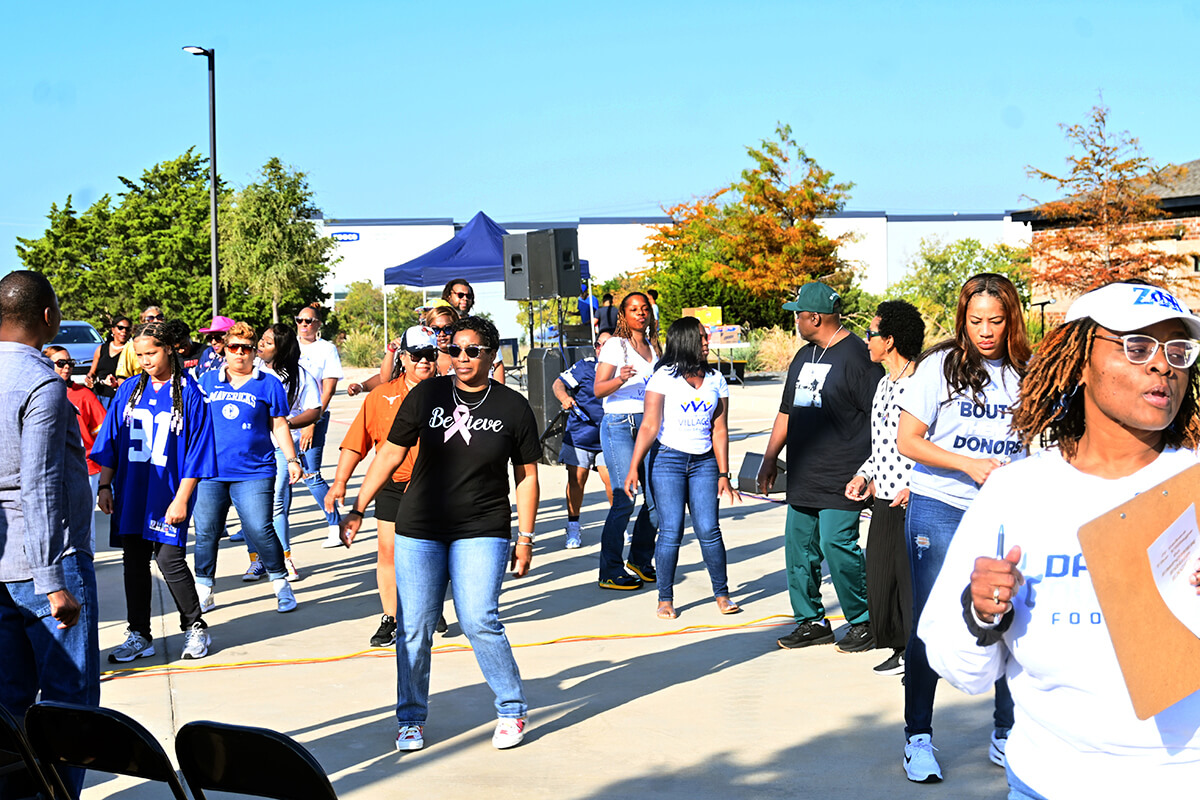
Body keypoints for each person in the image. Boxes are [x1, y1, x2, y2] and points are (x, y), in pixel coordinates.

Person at [920, 281, 1200, 797]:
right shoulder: (1017, 491)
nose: (1163, 365)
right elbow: (962, 669)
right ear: (1078, 362)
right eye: (1137, 346)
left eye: (1178, 350)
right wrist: (980, 613)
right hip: (1046, 782)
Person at [341, 315, 540, 752]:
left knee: (477, 619)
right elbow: (390, 453)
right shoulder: (428, 395)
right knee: (415, 625)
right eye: (454, 351)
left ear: (492, 355)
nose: (461, 359)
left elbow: (526, 477)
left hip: (482, 526)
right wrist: (357, 505)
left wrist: (525, 537)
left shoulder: (512, 406)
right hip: (421, 527)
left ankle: (511, 709)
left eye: (473, 351)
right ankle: (410, 718)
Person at [895, 272, 1030, 781]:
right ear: (963, 319)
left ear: (1011, 319)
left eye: (995, 321)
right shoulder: (941, 366)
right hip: (940, 505)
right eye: (975, 321)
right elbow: (909, 439)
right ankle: (918, 738)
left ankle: (1005, 734)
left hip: (1003, 510)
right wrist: (965, 465)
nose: (985, 331)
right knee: (930, 624)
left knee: (1007, 618)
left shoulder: (1028, 371)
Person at [0, 271, 98, 800]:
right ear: (46, 317)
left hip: (3, 565)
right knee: (68, 701)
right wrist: (53, 580)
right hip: (45, 567)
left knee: (10, 700)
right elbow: (39, 484)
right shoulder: (42, 383)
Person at [757, 282, 881, 653]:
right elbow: (786, 412)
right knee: (799, 548)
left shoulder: (858, 358)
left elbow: (881, 419)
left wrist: (872, 473)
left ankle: (864, 621)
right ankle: (811, 620)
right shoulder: (803, 356)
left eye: (798, 313)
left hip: (845, 476)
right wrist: (768, 459)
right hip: (804, 474)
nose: (794, 319)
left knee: (836, 544)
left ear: (814, 317)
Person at [92, 320, 218, 663]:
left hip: (168, 493)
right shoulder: (129, 389)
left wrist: (182, 498)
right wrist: (105, 484)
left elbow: (198, 451)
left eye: (152, 353)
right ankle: (139, 634)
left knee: (169, 558)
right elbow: (112, 442)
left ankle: (194, 626)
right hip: (132, 488)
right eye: (140, 354)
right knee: (133, 560)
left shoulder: (190, 394)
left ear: (170, 350)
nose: (146, 360)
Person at [326, 325, 439, 647]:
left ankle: (429, 605)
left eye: (429, 355)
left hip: (436, 488)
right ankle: (390, 616)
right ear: (403, 357)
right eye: (416, 355)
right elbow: (355, 444)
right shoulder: (380, 396)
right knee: (388, 553)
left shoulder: (451, 394)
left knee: (431, 554)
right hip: (393, 485)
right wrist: (339, 483)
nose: (423, 362)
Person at [625, 317, 740, 619]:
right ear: (686, 340)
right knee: (671, 530)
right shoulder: (663, 376)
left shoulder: (716, 379)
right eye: (702, 337)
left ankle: (722, 593)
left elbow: (720, 429)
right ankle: (665, 598)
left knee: (708, 529)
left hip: (705, 463)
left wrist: (724, 474)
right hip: (668, 461)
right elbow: (650, 424)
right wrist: (634, 466)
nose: (707, 341)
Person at [193, 322, 304, 614]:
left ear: (254, 351)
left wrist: (292, 459)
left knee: (260, 528)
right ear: (224, 350)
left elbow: (279, 424)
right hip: (210, 471)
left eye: (246, 348)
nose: (240, 354)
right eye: (233, 348)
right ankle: (204, 589)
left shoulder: (268, 383)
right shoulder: (206, 381)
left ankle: (281, 584)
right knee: (206, 531)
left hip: (255, 470)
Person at [843, 301, 926, 678]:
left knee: (909, 582)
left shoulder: (920, 383)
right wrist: (864, 474)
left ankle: (917, 653)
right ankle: (898, 646)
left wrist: (916, 483)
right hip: (883, 496)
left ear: (890, 340)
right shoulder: (883, 383)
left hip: (913, 498)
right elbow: (881, 445)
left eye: (872, 334)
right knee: (880, 578)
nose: (867, 341)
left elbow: (933, 439)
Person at [594, 291, 660, 590]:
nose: (640, 313)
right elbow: (597, 389)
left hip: (649, 424)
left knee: (658, 500)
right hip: (620, 423)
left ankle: (639, 559)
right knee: (624, 499)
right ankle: (610, 569)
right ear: (623, 315)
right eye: (633, 309)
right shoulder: (614, 346)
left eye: (644, 308)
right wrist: (619, 378)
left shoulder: (654, 345)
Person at [248, 323, 323, 582]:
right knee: (250, 505)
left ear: (281, 349)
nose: (261, 345)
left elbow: (315, 410)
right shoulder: (250, 371)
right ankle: (256, 560)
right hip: (251, 447)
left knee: (276, 503)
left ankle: (284, 558)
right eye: (262, 340)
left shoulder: (300, 376)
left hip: (282, 447)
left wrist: (286, 424)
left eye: (268, 343)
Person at [553, 332, 614, 548]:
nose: (601, 349)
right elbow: (558, 384)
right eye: (599, 345)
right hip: (580, 434)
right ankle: (573, 526)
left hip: (610, 435)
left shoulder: (622, 369)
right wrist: (565, 398)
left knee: (612, 482)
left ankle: (618, 526)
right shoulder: (585, 366)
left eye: (607, 345)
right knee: (576, 481)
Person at [45, 345, 107, 548]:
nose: (67, 367)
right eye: (61, 363)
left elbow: (103, 432)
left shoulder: (83, 395)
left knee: (84, 518)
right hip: (51, 467)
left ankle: (86, 560)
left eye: (70, 363)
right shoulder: (40, 393)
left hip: (84, 466)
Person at [295, 304, 345, 548]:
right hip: (284, 419)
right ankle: (255, 530)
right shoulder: (288, 345)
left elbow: (329, 386)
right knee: (270, 476)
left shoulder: (326, 349)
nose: (304, 324)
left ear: (318, 324)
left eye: (309, 320)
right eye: (300, 320)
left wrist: (312, 420)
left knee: (311, 474)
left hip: (312, 417)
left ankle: (335, 524)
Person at [85, 314, 131, 407]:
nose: (124, 331)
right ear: (113, 330)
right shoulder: (102, 348)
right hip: (99, 395)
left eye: (127, 329)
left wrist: (117, 383)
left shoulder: (131, 350)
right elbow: (92, 372)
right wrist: (89, 378)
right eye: (120, 328)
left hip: (119, 397)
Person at [115, 305, 165, 381]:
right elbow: (122, 377)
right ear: (143, 322)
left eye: (159, 317)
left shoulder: (172, 343)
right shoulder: (132, 346)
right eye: (150, 319)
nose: (156, 321)